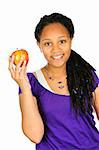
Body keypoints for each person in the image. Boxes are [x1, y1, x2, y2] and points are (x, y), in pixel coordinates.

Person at [9, 13, 99, 150]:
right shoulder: (30, 82)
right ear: (39, 45)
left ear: (71, 40)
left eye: (62, 41)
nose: (55, 50)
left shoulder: (87, 75)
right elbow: (35, 136)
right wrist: (24, 86)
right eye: (47, 43)